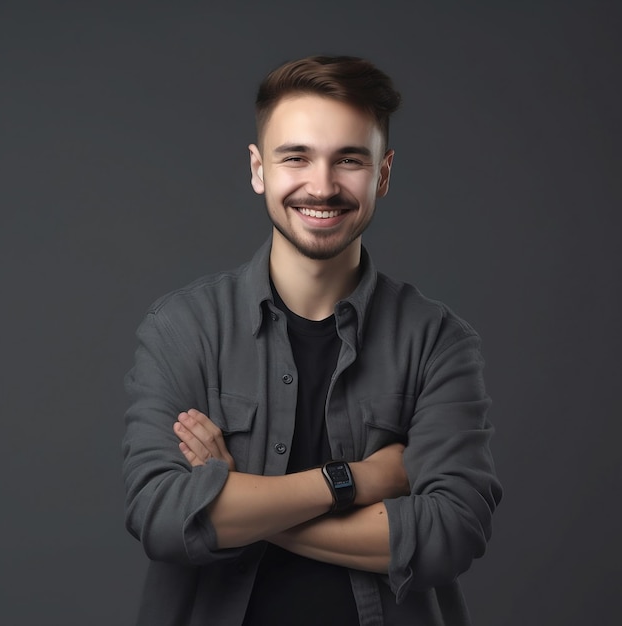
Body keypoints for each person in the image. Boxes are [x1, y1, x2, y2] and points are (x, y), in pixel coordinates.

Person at [122, 55, 502, 626]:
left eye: (348, 160)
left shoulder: (437, 341)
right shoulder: (183, 327)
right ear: (258, 170)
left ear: (384, 173)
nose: (321, 187)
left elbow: (450, 535)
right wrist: (359, 480)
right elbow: (161, 516)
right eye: (295, 157)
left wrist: (238, 502)